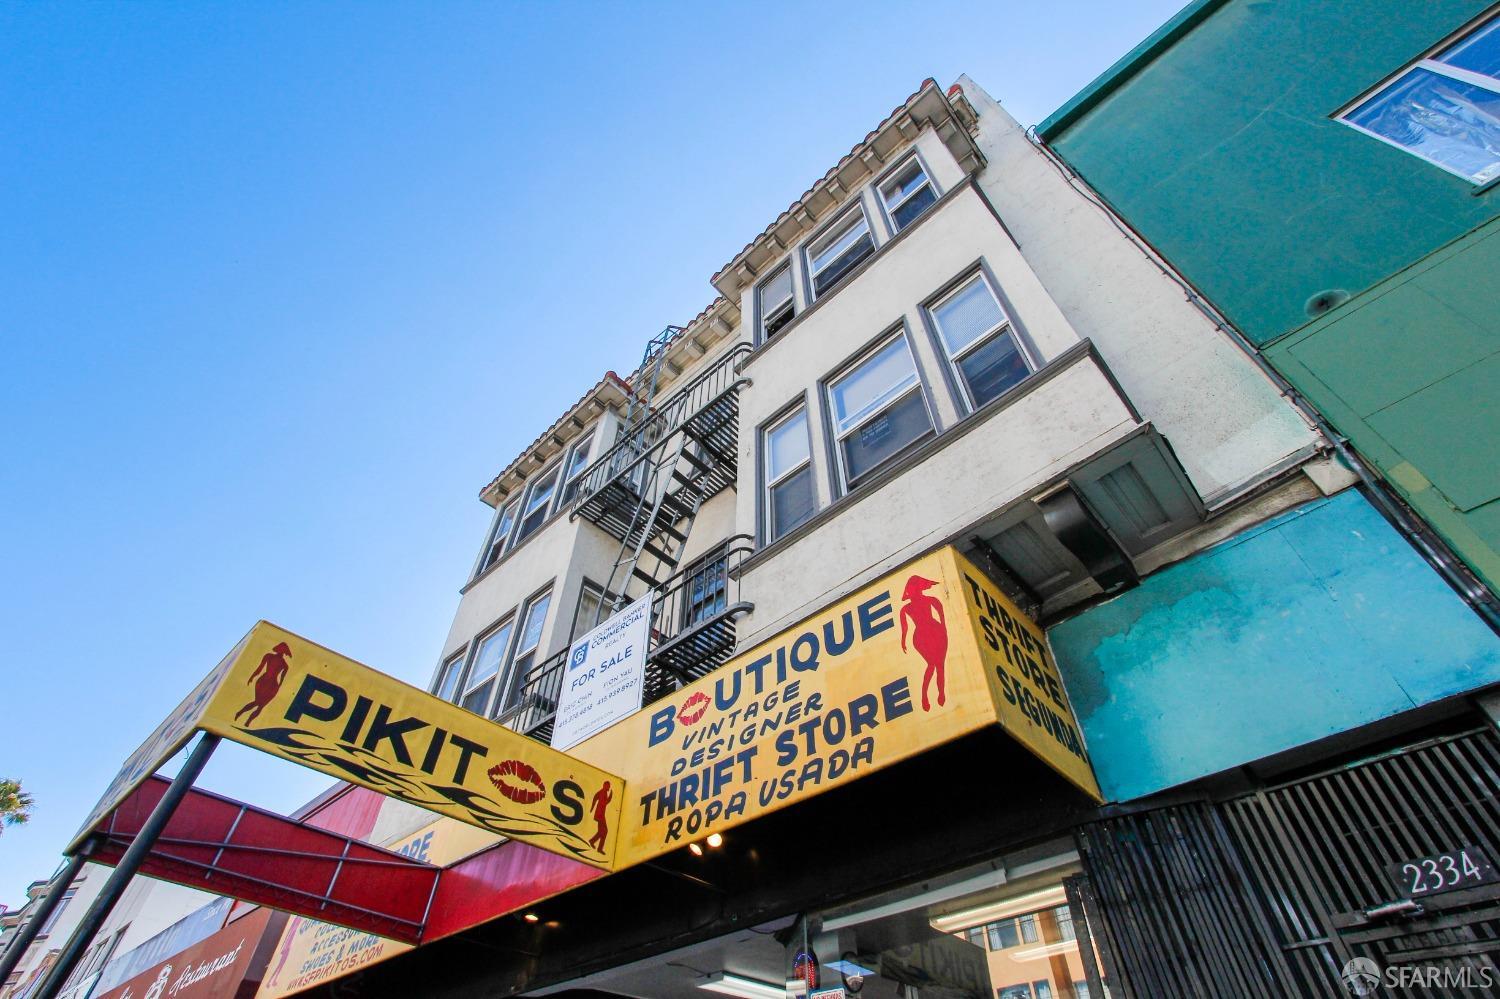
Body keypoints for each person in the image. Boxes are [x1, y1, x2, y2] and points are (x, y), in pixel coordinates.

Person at [899, 576, 948, 712]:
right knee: (933, 664)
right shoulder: (905, 609)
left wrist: (944, 631)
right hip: (922, 636)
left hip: (936, 632)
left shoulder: (931, 600)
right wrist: (903, 641)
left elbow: (942, 615)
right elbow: (905, 629)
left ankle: (941, 694)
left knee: (940, 665)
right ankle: (925, 697)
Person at [235, 642, 292, 725]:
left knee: (260, 705)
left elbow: (281, 680)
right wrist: (252, 676)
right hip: (264, 681)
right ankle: (241, 714)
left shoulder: (285, 665)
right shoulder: (269, 656)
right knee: (258, 703)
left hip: (272, 685)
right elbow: (260, 668)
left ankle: (247, 721)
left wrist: (277, 689)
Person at [589, 780, 613, 852]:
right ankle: (596, 845)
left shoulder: (603, 792)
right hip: (600, 815)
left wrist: (592, 808)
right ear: (605, 786)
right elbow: (604, 802)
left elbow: (595, 797)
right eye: (608, 786)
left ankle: (595, 843)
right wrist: (610, 797)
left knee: (602, 831)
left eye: (609, 786)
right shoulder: (603, 792)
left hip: (601, 814)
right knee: (604, 831)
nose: (609, 787)